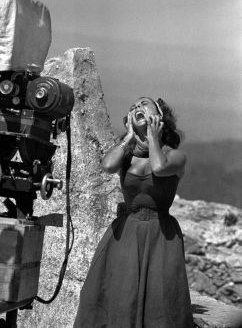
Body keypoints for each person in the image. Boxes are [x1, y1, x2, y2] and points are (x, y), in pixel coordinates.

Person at [74, 96, 194, 328]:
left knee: (160, 301)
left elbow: (158, 168)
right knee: (120, 294)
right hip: (125, 232)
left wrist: (152, 137)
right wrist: (128, 137)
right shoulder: (126, 156)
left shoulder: (175, 156)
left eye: (143, 104)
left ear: (160, 116)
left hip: (161, 234)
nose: (137, 107)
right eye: (133, 107)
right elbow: (108, 166)